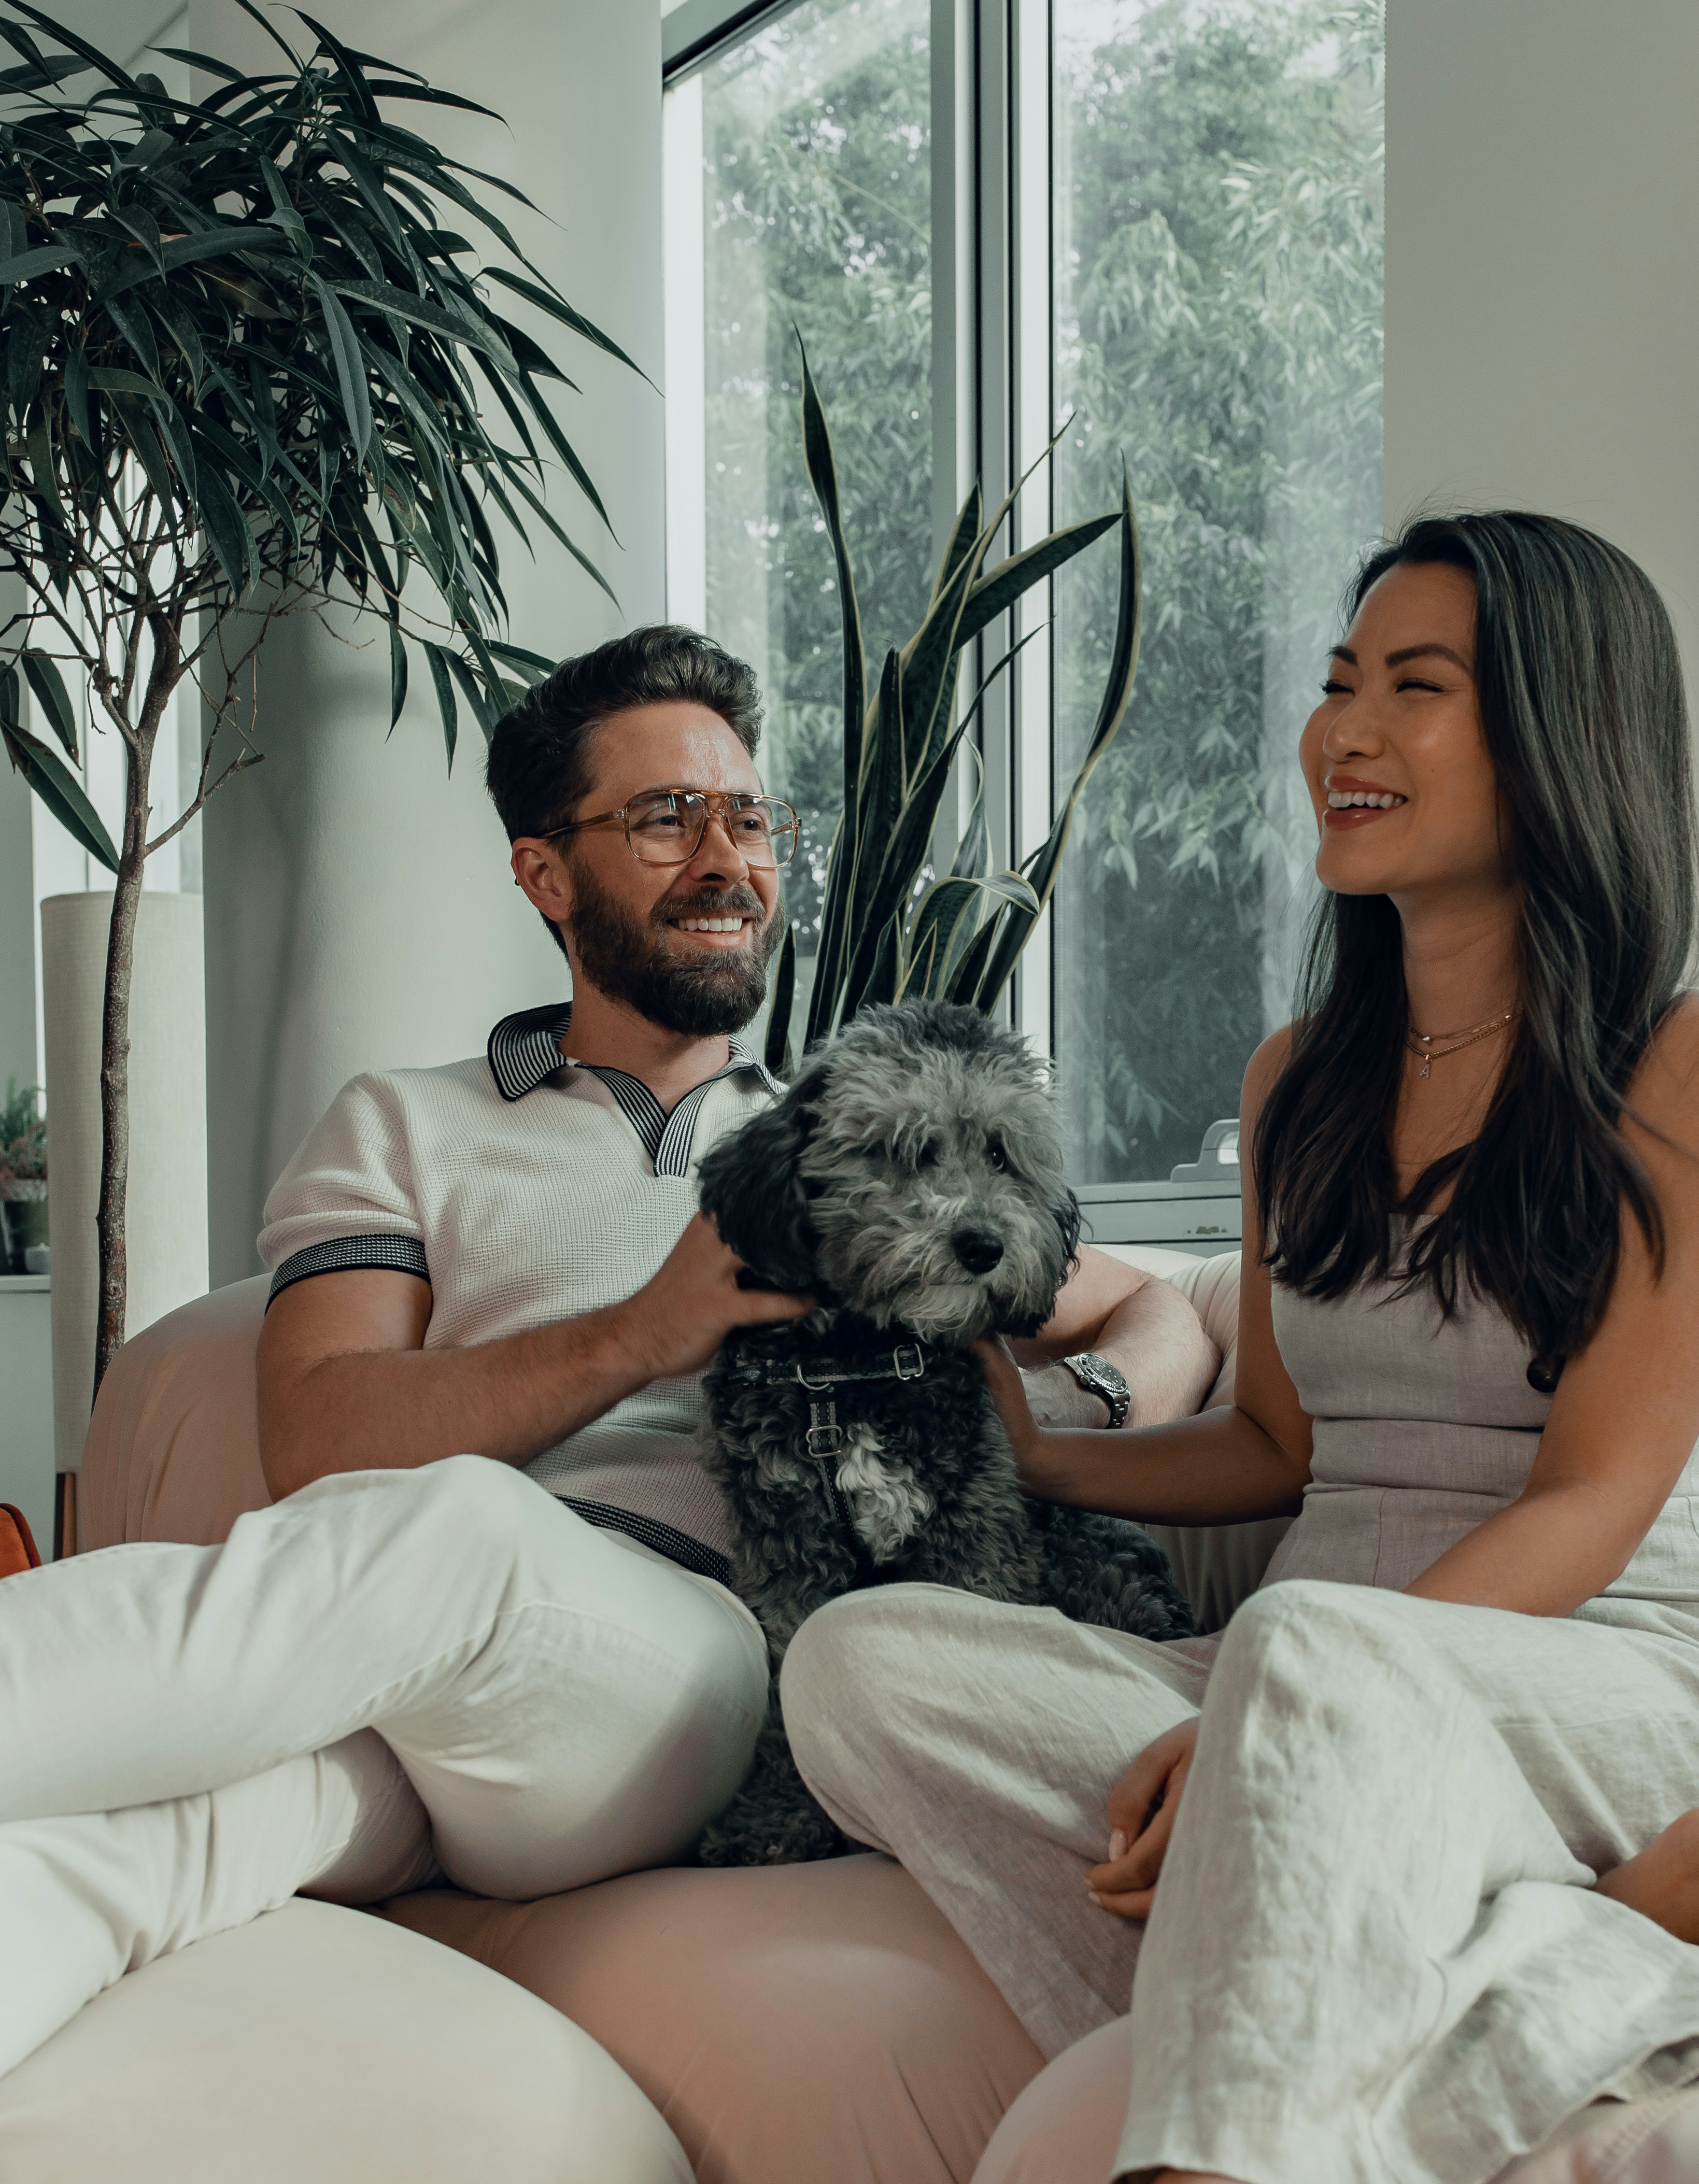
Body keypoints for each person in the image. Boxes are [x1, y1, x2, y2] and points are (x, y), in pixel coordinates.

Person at [777, 512, 1699, 2184]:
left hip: (1605, 1668)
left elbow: (1608, 1492)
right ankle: (1570, 1947)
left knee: (1304, 1662)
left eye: (1411, 685)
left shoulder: (1695, 1063)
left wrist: (1273, 1693)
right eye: (1342, 677)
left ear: (1556, 733)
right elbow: (1274, 1449)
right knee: (864, 1669)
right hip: (1325, 1687)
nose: (1340, 725)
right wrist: (1052, 1448)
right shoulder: (1294, 1084)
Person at [0, 623, 1214, 2087]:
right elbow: (321, 1436)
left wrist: (1060, 1423)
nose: (725, 857)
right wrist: (647, 1329)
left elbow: (1170, 1312)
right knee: (162, 1844)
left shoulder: (872, 1133)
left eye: (747, 815)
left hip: (687, 1658)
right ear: (543, 871)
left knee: (456, 1535)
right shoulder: (403, 1121)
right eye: (663, 817)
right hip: (415, 1657)